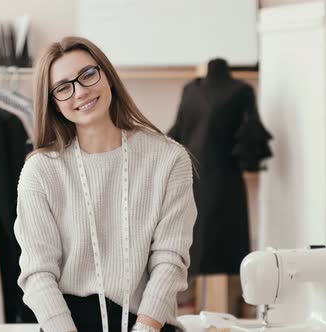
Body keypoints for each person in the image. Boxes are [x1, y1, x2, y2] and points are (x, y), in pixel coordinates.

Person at [14, 36, 197, 332]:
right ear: (53, 102)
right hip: (68, 323)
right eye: (63, 87)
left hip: (147, 322)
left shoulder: (169, 158)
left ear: (107, 76)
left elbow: (170, 259)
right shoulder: (40, 171)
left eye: (87, 75)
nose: (81, 92)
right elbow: (38, 272)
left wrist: (146, 329)